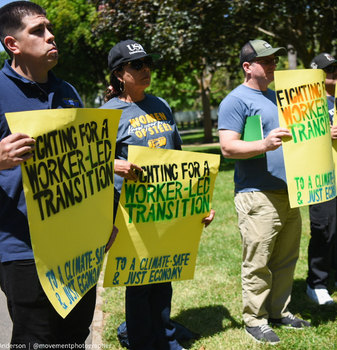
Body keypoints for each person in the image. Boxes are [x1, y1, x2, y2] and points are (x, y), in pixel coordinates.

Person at [0, 1, 115, 347]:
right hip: (24, 252)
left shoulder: (68, 92)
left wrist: (102, 222)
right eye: (38, 30)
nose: (50, 35)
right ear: (13, 44)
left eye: (49, 28)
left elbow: (86, 165)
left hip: (78, 246)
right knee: (37, 340)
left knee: (74, 337)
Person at [100, 39, 214, 350]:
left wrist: (198, 204)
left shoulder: (161, 104)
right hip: (131, 211)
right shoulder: (107, 113)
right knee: (139, 283)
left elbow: (179, 159)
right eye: (137, 65)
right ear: (119, 73)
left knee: (163, 276)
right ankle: (142, 341)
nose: (146, 68)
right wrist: (114, 164)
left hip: (167, 206)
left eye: (147, 62)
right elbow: (92, 163)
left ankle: (164, 334)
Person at [218, 39, 311, 345]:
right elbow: (228, 146)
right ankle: (254, 319)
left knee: (286, 259)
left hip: (289, 191)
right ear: (247, 66)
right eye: (266, 60)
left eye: (274, 60)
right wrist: (264, 145)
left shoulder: (278, 97)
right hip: (257, 194)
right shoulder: (235, 100)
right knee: (257, 262)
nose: (273, 65)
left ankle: (279, 312)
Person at [305, 53, 337, 305]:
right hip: (320, 176)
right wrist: (323, 133)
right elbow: (296, 138)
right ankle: (316, 284)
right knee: (324, 230)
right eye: (329, 70)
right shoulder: (306, 103)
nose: (336, 73)